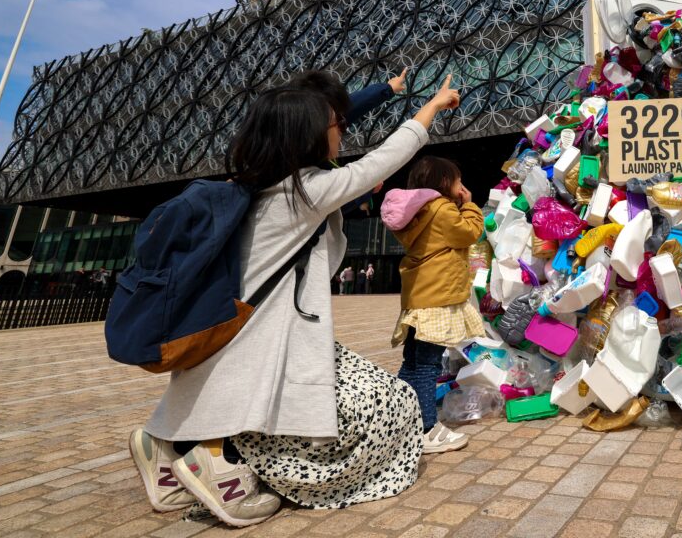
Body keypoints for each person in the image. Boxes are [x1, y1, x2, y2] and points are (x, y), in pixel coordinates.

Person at [126, 74, 460, 527]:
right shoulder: (307, 193)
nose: (342, 130)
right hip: (263, 325)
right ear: (308, 136)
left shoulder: (254, 185)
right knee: (382, 403)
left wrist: (383, 91)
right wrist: (433, 108)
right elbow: (384, 159)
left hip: (231, 316)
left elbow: (325, 118)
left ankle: (160, 444)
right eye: (335, 124)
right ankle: (212, 462)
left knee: (222, 379)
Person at [381, 156, 485, 455]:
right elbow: (469, 233)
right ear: (444, 183)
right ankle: (426, 429)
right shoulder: (440, 208)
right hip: (437, 299)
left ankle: (398, 420)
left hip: (420, 297)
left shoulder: (414, 212)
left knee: (413, 363)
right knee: (427, 365)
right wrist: (469, 204)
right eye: (457, 179)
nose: (460, 186)